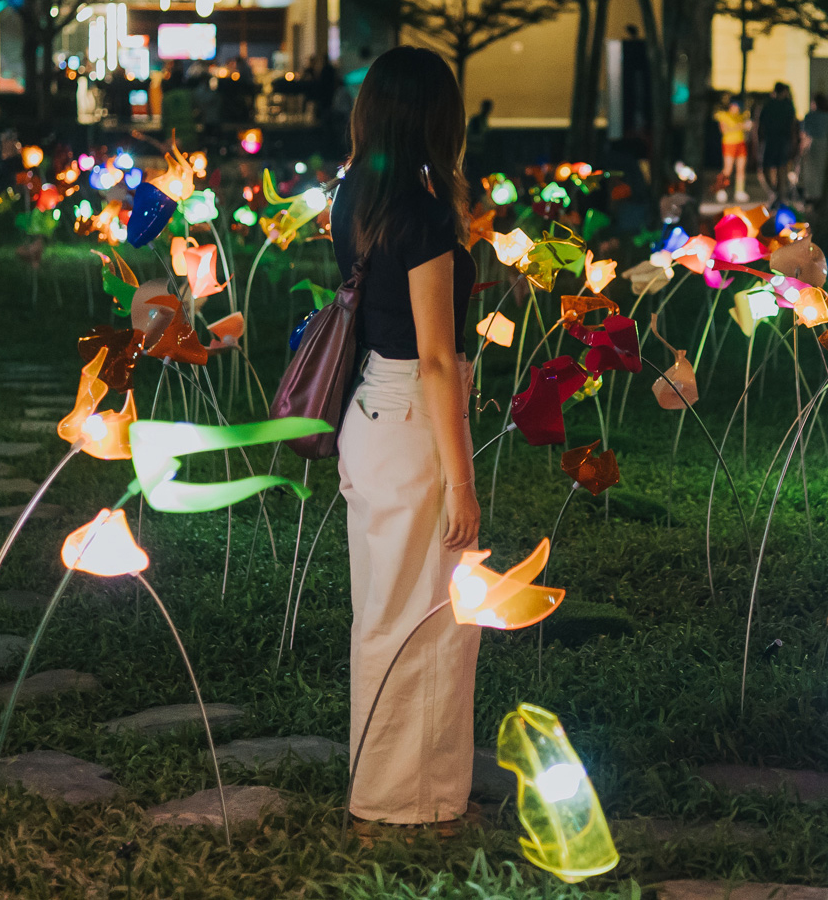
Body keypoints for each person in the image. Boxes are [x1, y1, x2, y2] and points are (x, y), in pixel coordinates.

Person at [327, 45, 482, 841]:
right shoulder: (419, 219)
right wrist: (462, 482)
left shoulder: (352, 198)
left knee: (382, 613)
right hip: (412, 419)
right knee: (430, 618)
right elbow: (434, 358)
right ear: (435, 119)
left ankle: (386, 788)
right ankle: (412, 802)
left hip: (366, 419)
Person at [758, 83, 797, 203]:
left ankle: (776, 194)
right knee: (779, 167)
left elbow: (761, 125)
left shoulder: (770, 104)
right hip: (779, 139)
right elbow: (793, 125)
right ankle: (778, 194)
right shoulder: (786, 105)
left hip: (775, 139)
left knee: (772, 167)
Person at [713, 92, 750, 202]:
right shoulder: (724, 116)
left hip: (741, 144)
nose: (737, 108)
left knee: (741, 169)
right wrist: (741, 126)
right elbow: (724, 130)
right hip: (729, 144)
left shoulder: (742, 116)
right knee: (728, 169)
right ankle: (721, 189)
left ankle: (739, 191)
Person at [798, 94, 828, 205]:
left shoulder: (810, 116)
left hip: (812, 145)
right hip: (826, 146)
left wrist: (802, 150)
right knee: (822, 172)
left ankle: (811, 196)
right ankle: (821, 196)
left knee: (811, 172)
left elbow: (804, 134)